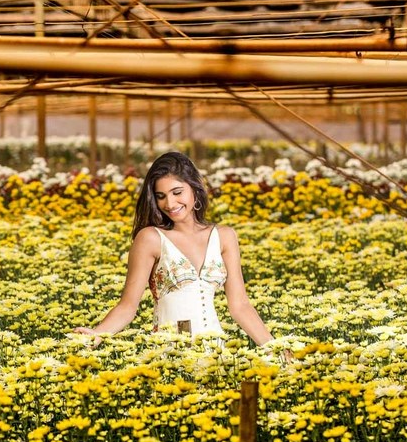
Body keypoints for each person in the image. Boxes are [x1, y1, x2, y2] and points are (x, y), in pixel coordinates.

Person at [75, 151, 285, 353]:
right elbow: (127, 307)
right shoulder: (150, 238)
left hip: (217, 356)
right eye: (161, 196)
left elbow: (240, 306)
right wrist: (97, 333)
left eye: (177, 192)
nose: (170, 203)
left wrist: (276, 350)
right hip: (169, 357)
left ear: (195, 189)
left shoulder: (224, 236)